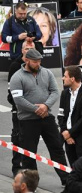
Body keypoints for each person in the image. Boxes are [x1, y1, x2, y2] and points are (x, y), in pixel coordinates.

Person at [9, 49, 68, 185]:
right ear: (27, 60)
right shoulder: (17, 77)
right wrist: (37, 109)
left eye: (39, 61)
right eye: (35, 61)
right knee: (29, 154)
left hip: (46, 117)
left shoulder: (47, 73)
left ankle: (66, 179)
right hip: (28, 121)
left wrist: (45, 106)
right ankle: (32, 184)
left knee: (57, 148)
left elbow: (54, 91)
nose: (38, 64)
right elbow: (18, 100)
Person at [57, 65, 82, 166]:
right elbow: (61, 115)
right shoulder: (65, 93)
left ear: (72, 79)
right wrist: (65, 133)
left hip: (81, 139)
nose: (62, 78)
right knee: (73, 167)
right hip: (67, 138)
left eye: (65, 76)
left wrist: (70, 133)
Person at [7, 41, 36, 176]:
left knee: (31, 140)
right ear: (22, 50)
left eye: (32, 48)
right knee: (18, 138)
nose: (29, 50)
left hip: (36, 112)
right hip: (19, 111)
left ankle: (30, 169)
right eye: (27, 48)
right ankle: (16, 167)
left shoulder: (38, 66)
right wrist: (23, 104)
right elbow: (10, 95)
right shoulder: (15, 66)